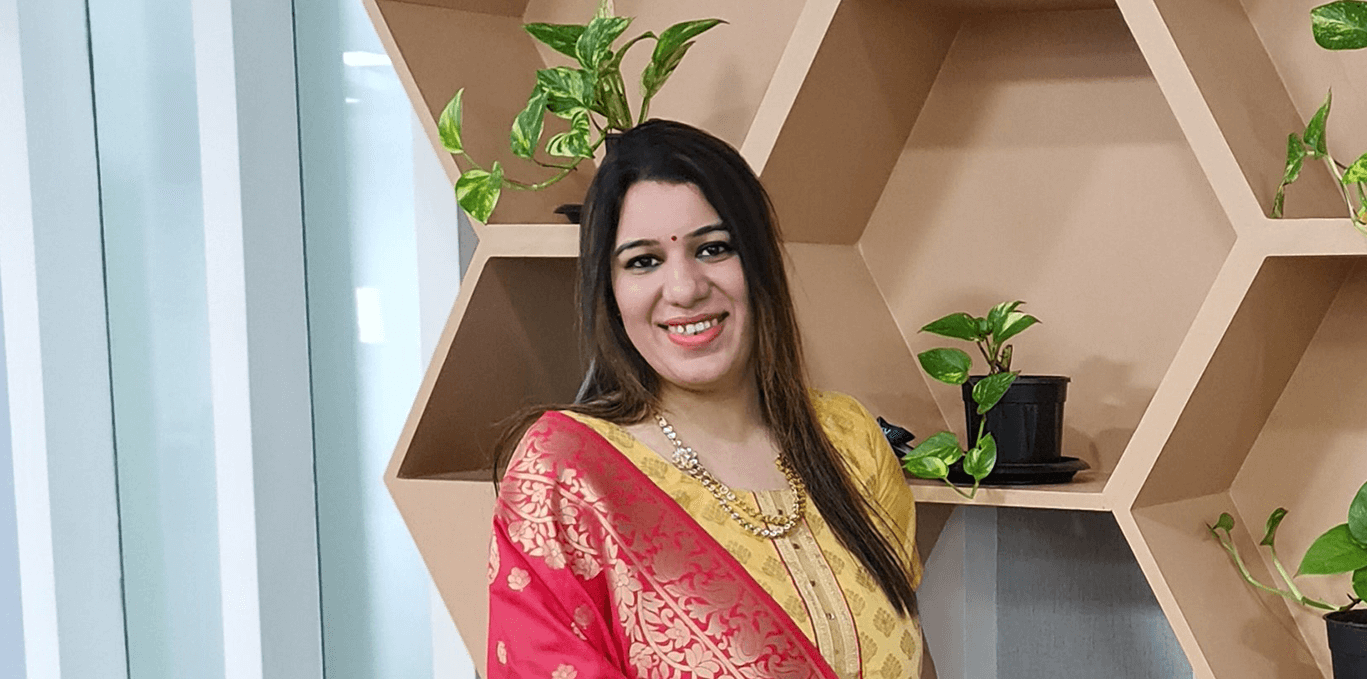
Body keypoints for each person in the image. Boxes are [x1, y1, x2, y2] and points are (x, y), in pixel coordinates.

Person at [486, 120, 923, 678]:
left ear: (759, 263)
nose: (686, 288)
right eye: (643, 261)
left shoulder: (849, 439)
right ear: (610, 289)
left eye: (714, 248)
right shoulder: (567, 478)